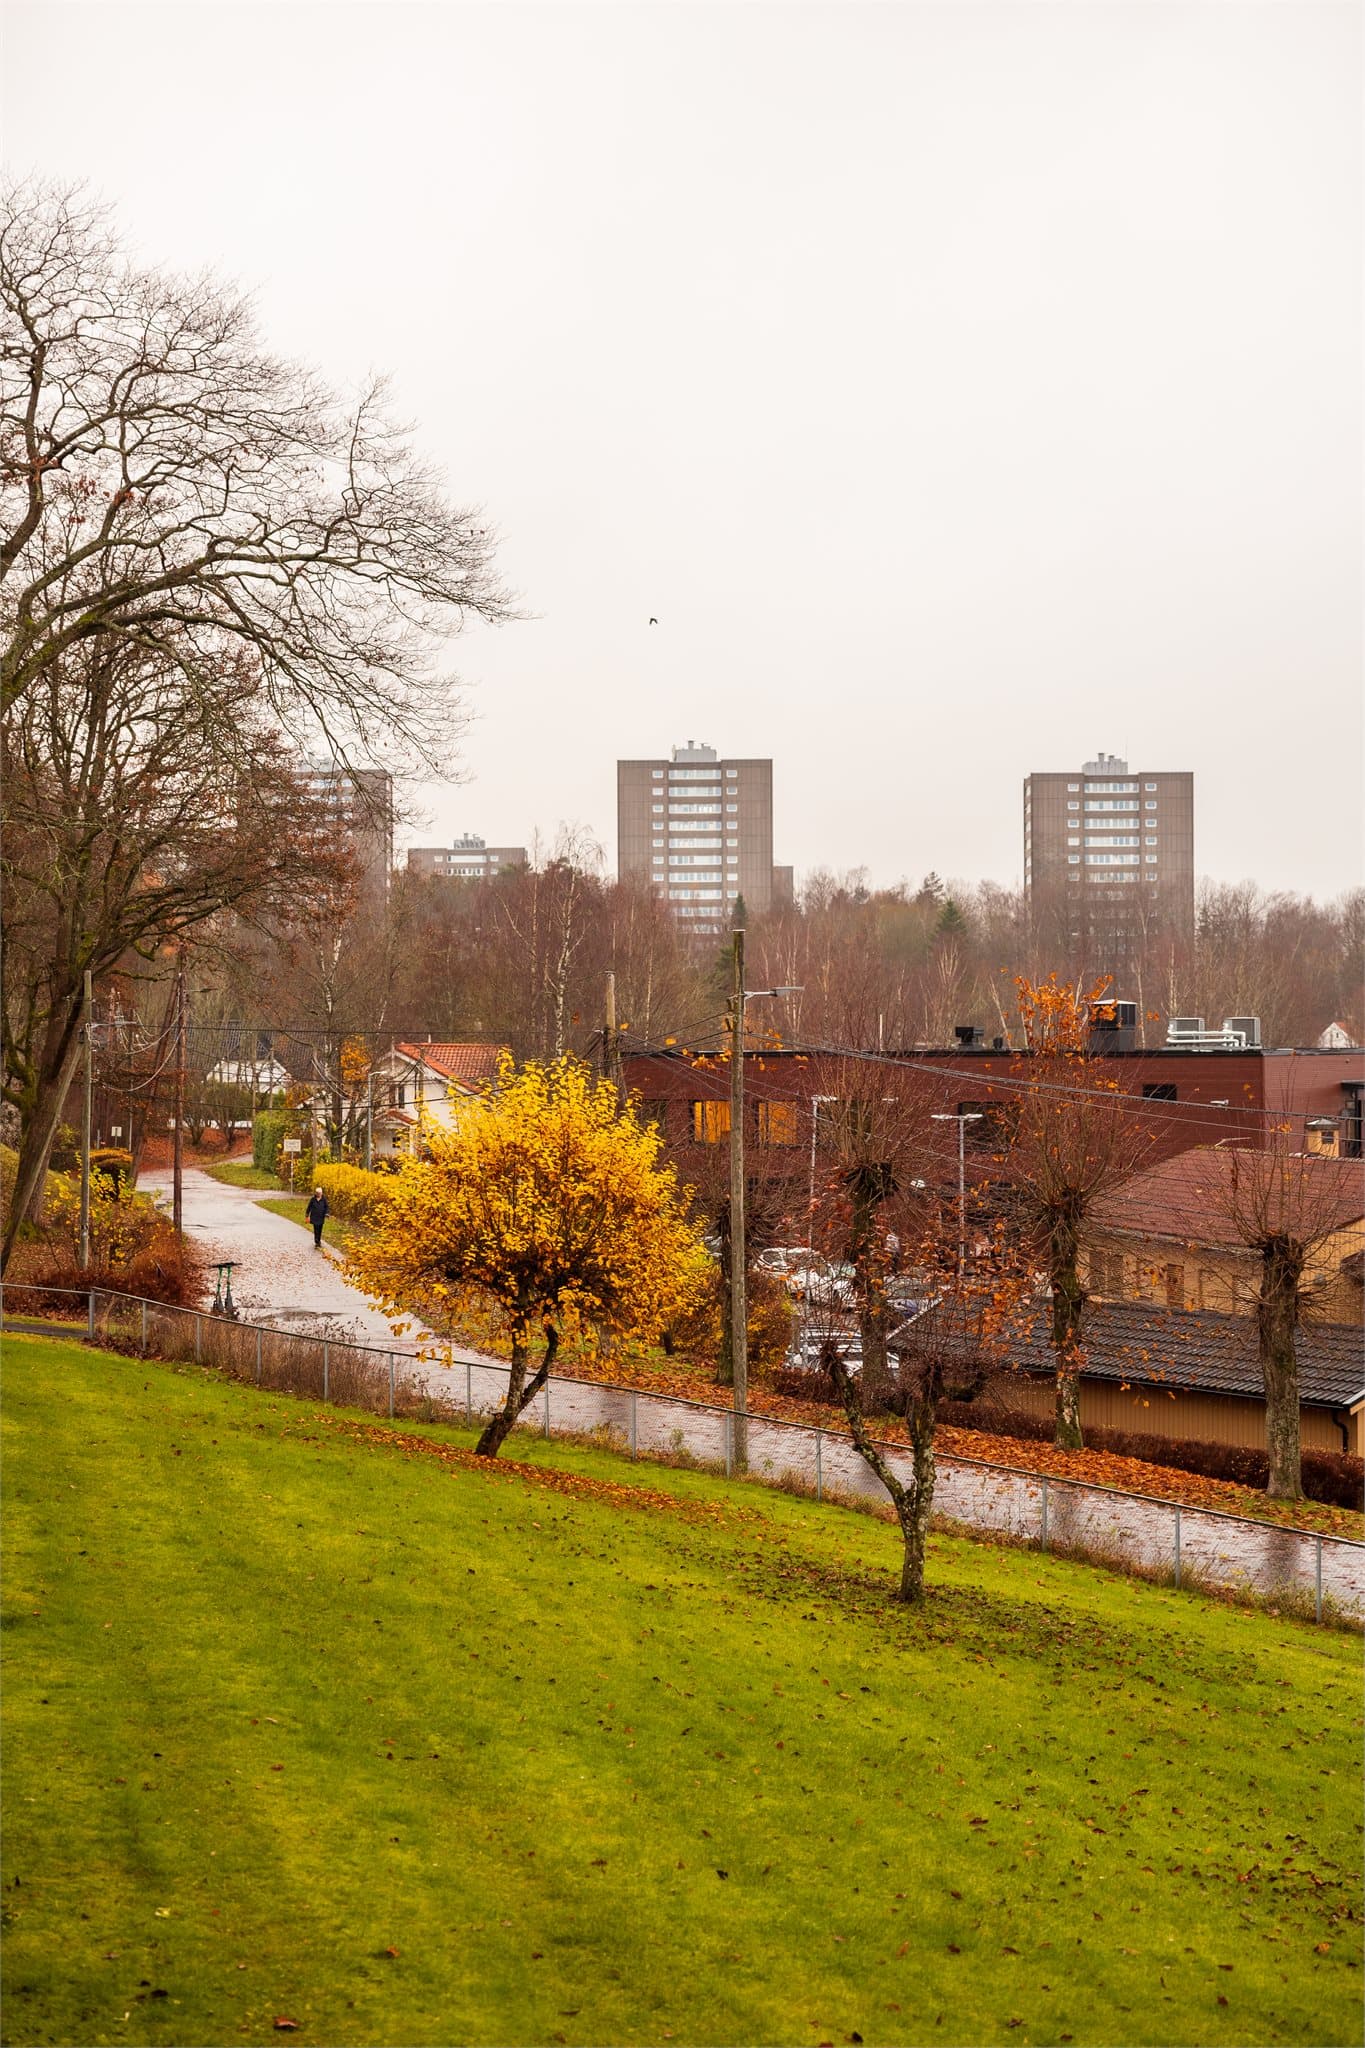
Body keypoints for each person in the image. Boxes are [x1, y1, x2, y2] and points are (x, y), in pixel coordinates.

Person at [306, 1185, 329, 1249]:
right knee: (316, 1229)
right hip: (314, 1217)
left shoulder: (324, 1199)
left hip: (321, 1217)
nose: (318, 1194)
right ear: (316, 1193)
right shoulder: (313, 1199)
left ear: (321, 1193)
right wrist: (307, 1214)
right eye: (317, 1193)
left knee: (320, 1229)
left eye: (319, 1193)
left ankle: (319, 1240)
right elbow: (309, 1207)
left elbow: (326, 1207)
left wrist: (327, 1213)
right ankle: (317, 1242)